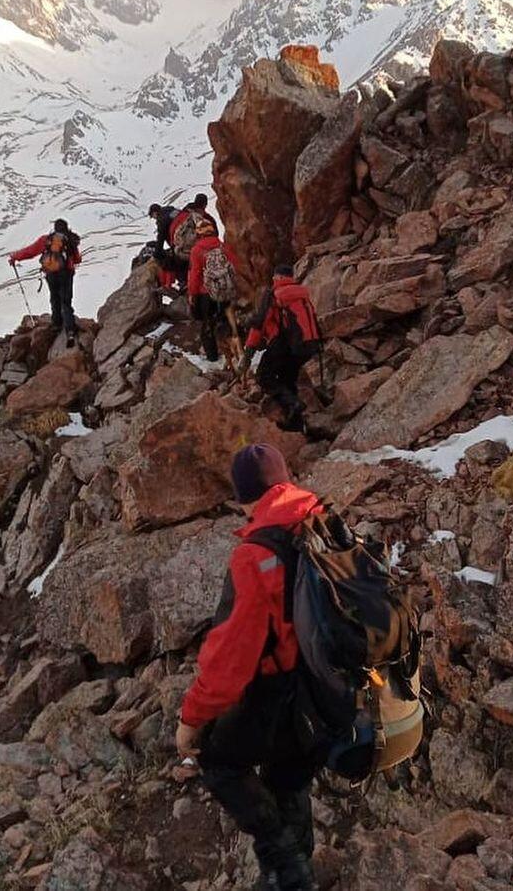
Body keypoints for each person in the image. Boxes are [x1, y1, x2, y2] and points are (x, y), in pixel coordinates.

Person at [176, 444, 325, 891]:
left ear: (243, 498)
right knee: (287, 773)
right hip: (326, 687)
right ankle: (297, 868)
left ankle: (287, 866)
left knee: (219, 761)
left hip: (283, 692)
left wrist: (192, 720)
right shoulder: (319, 519)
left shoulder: (255, 555)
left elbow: (230, 657)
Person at [239, 266, 321, 432]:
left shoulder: (273, 295)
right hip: (304, 345)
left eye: (274, 277)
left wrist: (248, 353)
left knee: (263, 376)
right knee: (288, 381)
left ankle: (293, 404)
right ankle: (296, 426)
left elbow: (259, 325)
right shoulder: (301, 293)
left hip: (281, 343)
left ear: (277, 277)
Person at [8, 219, 82, 346]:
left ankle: (56, 324)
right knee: (66, 301)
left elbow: (30, 251)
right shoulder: (69, 240)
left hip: (51, 274)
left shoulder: (46, 240)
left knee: (54, 298)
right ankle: (70, 331)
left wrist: (15, 257)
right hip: (66, 275)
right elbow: (77, 259)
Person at [187, 217, 238, 362]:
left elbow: (195, 275)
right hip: (226, 290)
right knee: (228, 320)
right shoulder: (223, 246)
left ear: (199, 234)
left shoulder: (197, 250)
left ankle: (212, 357)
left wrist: (192, 294)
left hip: (206, 294)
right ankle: (235, 350)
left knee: (208, 325)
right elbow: (234, 265)